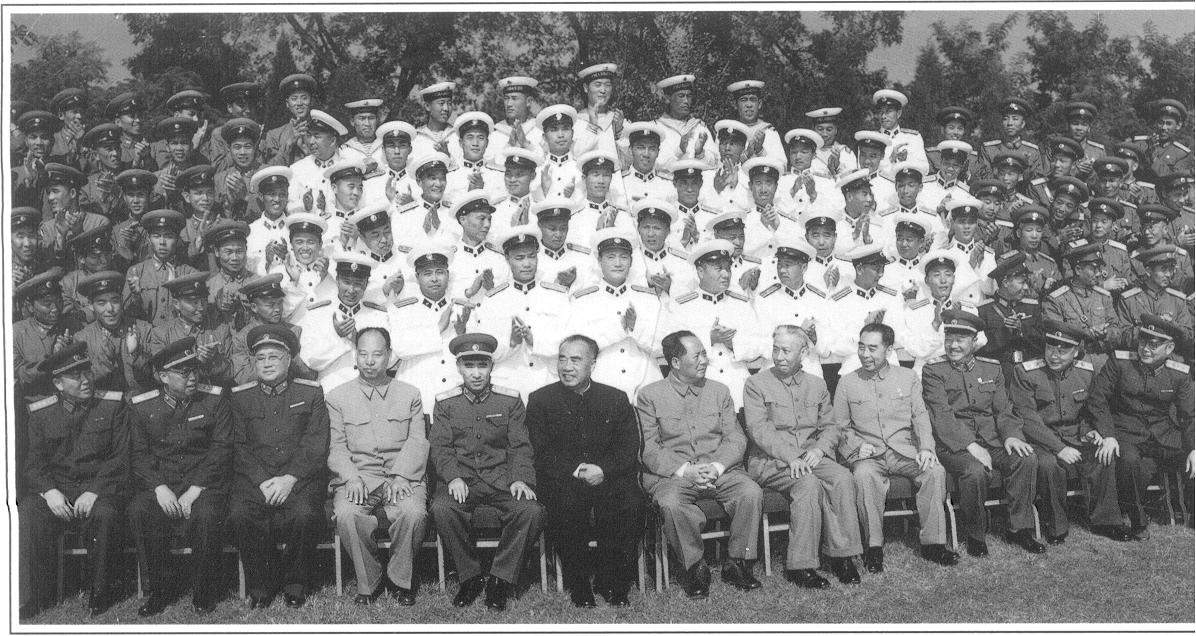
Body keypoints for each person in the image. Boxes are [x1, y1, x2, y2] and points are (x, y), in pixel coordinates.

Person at [636, 330, 763, 598]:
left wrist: (717, 467)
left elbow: (735, 438)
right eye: (697, 356)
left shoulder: (720, 391)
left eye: (704, 354)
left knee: (750, 492)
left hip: (720, 470)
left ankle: (738, 563)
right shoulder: (649, 396)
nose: (705, 360)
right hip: (674, 475)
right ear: (675, 362)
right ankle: (694, 567)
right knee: (671, 503)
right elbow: (649, 448)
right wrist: (686, 471)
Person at [525, 335, 645, 608]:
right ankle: (578, 584)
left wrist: (603, 470)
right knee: (566, 505)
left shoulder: (615, 398)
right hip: (563, 479)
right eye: (562, 359)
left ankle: (611, 581)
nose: (567, 367)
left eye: (576, 360)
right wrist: (576, 470)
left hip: (607, 478)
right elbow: (540, 450)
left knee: (631, 503)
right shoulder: (541, 400)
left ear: (593, 363)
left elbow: (628, 447)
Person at [429, 333, 546, 611]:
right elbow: (441, 447)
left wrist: (520, 479)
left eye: (482, 365)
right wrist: (453, 477)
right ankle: (469, 577)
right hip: (463, 480)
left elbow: (519, 445)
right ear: (459, 367)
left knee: (531, 511)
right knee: (442, 508)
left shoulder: (509, 401)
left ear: (492, 366)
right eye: (469, 366)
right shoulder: (446, 403)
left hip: (501, 480)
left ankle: (500, 579)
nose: (476, 373)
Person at [744, 326, 863, 587]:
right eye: (776, 349)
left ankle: (842, 556)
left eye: (786, 351)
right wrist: (791, 456)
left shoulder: (817, 385)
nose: (779, 356)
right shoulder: (756, 384)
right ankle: (801, 565)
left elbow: (830, 426)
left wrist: (819, 449)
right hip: (771, 461)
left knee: (842, 477)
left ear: (803, 352)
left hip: (811, 456)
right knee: (807, 483)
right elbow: (759, 430)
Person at [921, 309, 1047, 557]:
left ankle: (1019, 528)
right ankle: (975, 535)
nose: (953, 345)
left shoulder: (991, 368)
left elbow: (1004, 410)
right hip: (953, 446)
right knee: (974, 471)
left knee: (1025, 458)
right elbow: (941, 415)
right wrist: (971, 446)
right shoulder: (934, 370)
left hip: (993, 441)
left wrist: (1011, 436)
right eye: (949, 339)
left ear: (974, 341)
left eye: (960, 340)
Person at [836, 323, 960, 571]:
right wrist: (857, 447)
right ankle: (873, 547)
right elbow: (840, 426)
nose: (865, 354)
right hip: (869, 455)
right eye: (861, 347)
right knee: (863, 476)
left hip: (905, 451)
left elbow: (920, 416)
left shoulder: (907, 377)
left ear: (889, 349)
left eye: (873, 348)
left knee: (934, 472)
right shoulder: (847, 383)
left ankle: (934, 544)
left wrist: (926, 448)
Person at [19, 343, 128, 618]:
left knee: (105, 514)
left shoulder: (112, 406)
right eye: (75, 376)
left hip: (98, 490)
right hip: (60, 492)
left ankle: (99, 593)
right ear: (58, 383)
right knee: (29, 511)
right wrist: (49, 492)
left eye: (87, 372)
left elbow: (120, 457)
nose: (85, 380)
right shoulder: (41, 414)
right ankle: (32, 597)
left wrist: (94, 491)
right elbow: (33, 465)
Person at [127, 338, 232, 616]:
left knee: (207, 514)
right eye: (184, 372)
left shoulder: (214, 399)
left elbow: (221, 449)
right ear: (163, 377)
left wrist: (196, 489)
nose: (193, 377)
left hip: (203, 483)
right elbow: (139, 454)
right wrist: (159, 488)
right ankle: (159, 590)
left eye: (195, 369)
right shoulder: (142, 406)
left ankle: (204, 591)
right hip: (163, 484)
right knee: (140, 510)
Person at [228, 324, 329, 609]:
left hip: (298, 479)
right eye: (260, 358)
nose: (267, 363)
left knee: (304, 514)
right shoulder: (240, 396)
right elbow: (239, 446)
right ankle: (261, 585)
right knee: (240, 514)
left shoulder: (310, 392)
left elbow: (315, 443)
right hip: (256, 480)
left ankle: (295, 583)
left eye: (274, 357)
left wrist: (290, 478)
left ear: (288, 359)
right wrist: (262, 480)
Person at [327, 327, 430, 606]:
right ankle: (369, 581)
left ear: (389, 355)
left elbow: (417, 440)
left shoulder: (410, 394)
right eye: (363, 354)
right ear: (355, 356)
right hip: (360, 476)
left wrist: (402, 476)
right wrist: (351, 477)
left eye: (377, 354)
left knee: (413, 512)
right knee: (347, 514)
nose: (369, 361)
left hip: (402, 475)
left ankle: (399, 580)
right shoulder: (337, 397)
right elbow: (336, 446)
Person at [1008, 320, 1134, 544]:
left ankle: (1106, 521)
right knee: (1048, 465)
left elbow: (1088, 410)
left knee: (1102, 456)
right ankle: (1057, 526)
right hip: (1042, 440)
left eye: (1063, 350)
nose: (1054, 355)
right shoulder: (1025, 372)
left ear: (1076, 352)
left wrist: (1090, 432)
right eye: (1050, 347)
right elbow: (1028, 418)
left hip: (1076, 436)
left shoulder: (1086, 373)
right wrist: (1059, 448)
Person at [1086, 314, 1194, 539]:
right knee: (1130, 461)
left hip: (1163, 434)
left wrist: (1194, 447)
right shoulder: (1120, 362)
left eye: (1154, 345)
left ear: (1170, 348)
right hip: (1126, 432)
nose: (1145, 349)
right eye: (1143, 341)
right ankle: (1137, 519)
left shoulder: (1179, 373)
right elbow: (1097, 398)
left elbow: (1191, 414)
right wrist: (1108, 434)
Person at [664, 239, 767, 408]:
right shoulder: (682, 305)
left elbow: (759, 345)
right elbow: (672, 349)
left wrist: (732, 343)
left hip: (737, 391)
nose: (726, 274)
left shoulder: (741, 303)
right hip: (698, 390)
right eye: (719, 268)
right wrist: (709, 339)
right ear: (700, 271)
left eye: (728, 268)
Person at [471, 226, 570, 398]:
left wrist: (535, 342)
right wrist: (511, 344)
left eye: (531, 256)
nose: (527, 264)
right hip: (508, 387)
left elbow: (569, 344)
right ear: (507, 259)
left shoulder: (557, 296)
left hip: (548, 383)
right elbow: (485, 352)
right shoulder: (493, 300)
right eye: (519, 258)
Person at [565, 227, 663, 400]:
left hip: (646, 384)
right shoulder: (582, 300)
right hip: (602, 385)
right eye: (611, 257)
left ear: (631, 261)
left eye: (624, 257)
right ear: (599, 260)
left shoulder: (649, 298)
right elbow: (578, 349)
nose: (618, 263)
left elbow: (662, 346)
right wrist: (618, 329)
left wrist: (635, 328)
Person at [296, 253, 390, 389]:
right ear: (337, 280)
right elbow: (310, 359)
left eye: (358, 284)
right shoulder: (317, 313)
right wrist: (340, 339)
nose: (351, 290)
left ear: (366, 284)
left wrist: (358, 340)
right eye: (346, 282)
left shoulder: (378, 315)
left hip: (372, 391)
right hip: (332, 390)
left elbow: (391, 359)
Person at [73, 270, 153, 393]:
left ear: (122, 300)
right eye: (101, 303)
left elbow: (155, 374)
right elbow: (87, 381)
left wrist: (135, 353)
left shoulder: (144, 329)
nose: (110, 309)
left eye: (115, 301)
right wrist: (105, 357)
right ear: (91, 305)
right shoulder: (83, 339)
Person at [653, 74, 718, 172]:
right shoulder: (656, 128)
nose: (686, 101)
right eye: (681, 96)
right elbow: (652, 164)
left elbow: (716, 162)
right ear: (668, 98)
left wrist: (700, 153)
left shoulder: (699, 128)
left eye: (689, 96)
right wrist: (679, 151)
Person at [262, 74, 317, 167]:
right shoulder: (274, 135)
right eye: (294, 99)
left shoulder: (322, 130)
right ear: (287, 104)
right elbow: (271, 168)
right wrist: (289, 144)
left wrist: (306, 150)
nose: (299, 103)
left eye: (304, 98)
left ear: (311, 101)